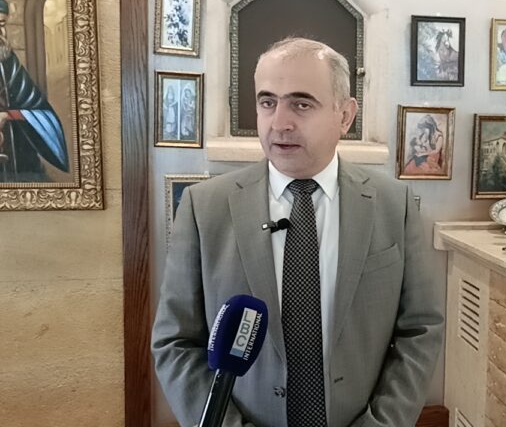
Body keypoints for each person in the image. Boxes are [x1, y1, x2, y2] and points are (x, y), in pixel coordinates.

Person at [152, 37, 444, 427]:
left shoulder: (394, 205)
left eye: (301, 104)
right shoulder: (204, 208)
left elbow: (420, 331)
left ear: (345, 115)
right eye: (267, 102)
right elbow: (175, 342)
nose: (280, 123)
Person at [0, 0, 68, 182]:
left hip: (14, 161)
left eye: (2, 24)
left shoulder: (8, 63)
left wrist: (6, 116)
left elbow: (40, 111)